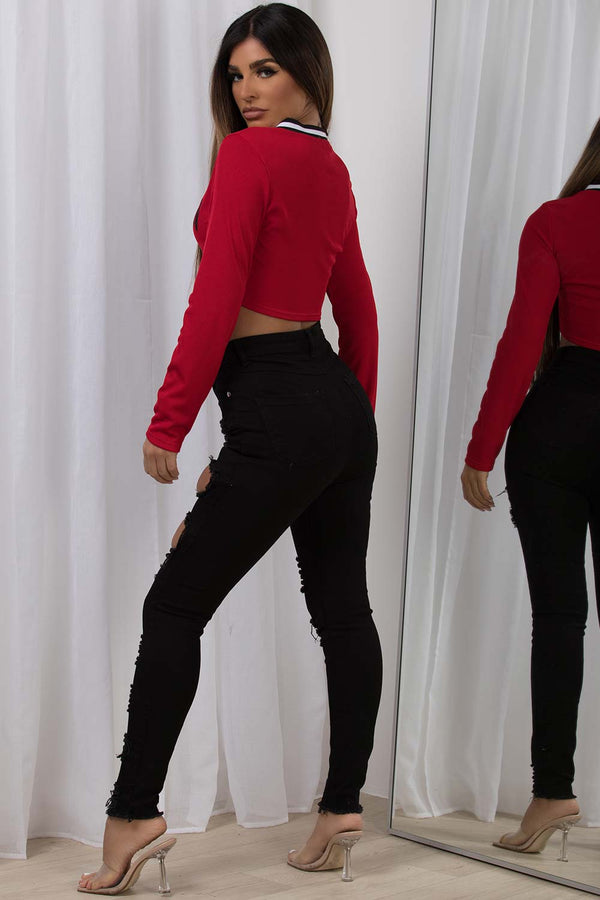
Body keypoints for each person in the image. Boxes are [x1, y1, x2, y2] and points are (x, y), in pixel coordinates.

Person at [77, 3, 382, 893]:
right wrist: (339, 431)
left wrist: (171, 421)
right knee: (343, 612)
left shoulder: (249, 156)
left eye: (265, 71)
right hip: (329, 409)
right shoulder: (330, 165)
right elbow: (358, 308)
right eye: (237, 74)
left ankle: (134, 813)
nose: (247, 90)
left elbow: (216, 298)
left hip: (281, 405)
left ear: (306, 71)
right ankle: (342, 804)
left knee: (173, 607)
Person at [461, 116, 600, 859]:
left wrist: (481, 450)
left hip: (558, 427)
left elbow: (522, 342)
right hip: (562, 429)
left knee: (560, 617)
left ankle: (553, 793)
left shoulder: (555, 221)